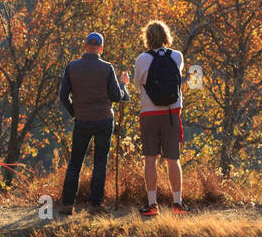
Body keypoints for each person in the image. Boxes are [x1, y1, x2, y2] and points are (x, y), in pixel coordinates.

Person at [58, 32, 132, 216]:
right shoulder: (107, 68)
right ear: (101, 48)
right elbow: (116, 97)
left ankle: (67, 204)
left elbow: (62, 96)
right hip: (104, 120)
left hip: (82, 121)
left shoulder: (72, 67)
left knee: (75, 162)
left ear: (85, 46)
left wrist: (75, 111)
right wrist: (123, 85)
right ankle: (95, 205)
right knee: (100, 162)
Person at [134, 20, 188, 216]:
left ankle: (152, 204)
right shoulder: (177, 56)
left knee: (150, 158)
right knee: (173, 159)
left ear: (147, 38)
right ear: (166, 36)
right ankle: (178, 203)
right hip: (172, 113)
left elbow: (138, 84)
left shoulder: (141, 59)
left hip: (149, 113)